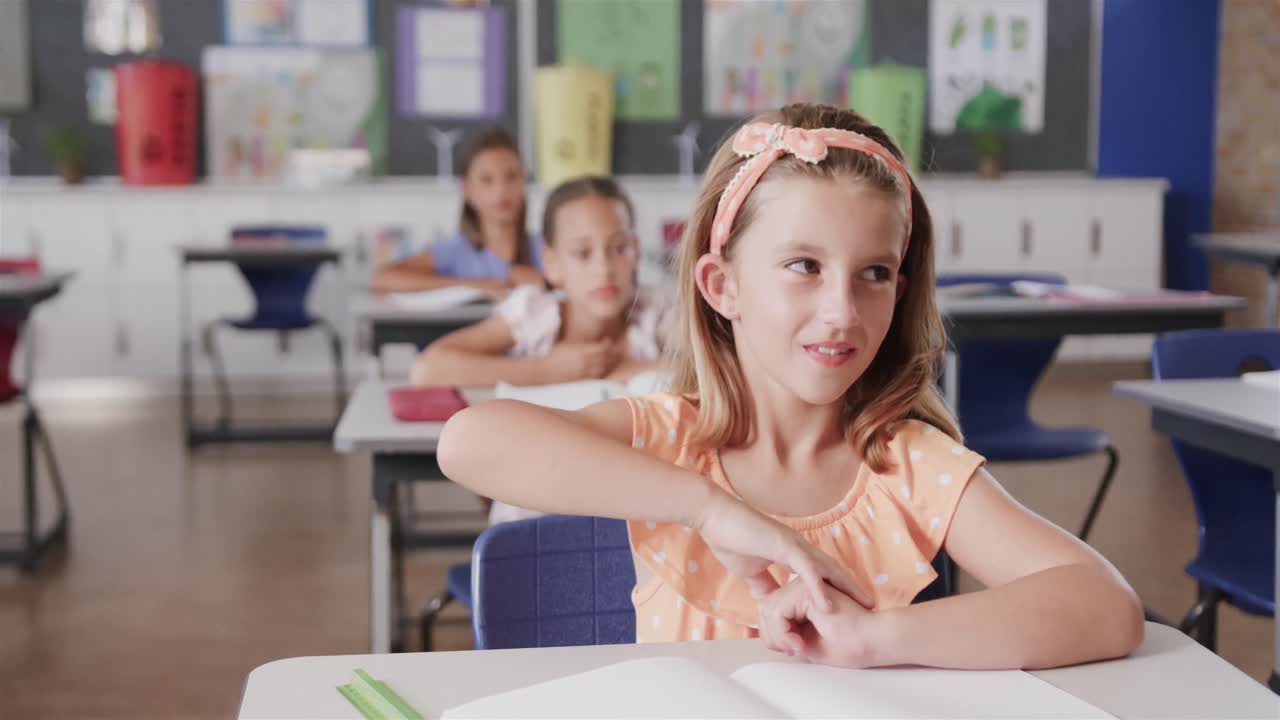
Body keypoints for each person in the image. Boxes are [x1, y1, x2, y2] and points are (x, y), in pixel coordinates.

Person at [436, 103, 1144, 670]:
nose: (843, 311)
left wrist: (874, 640)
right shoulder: (672, 439)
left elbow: (1106, 606)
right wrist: (712, 513)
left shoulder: (903, 463)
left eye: (874, 273)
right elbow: (471, 443)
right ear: (723, 286)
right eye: (804, 265)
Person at [410, 176, 664, 388]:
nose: (604, 269)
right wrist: (545, 371)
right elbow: (428, 370)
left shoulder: (655, 314)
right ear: (552, 264)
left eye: (619, 248)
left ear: (636, 251)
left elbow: (701, 369)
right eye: (582, 253)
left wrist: (617, 370)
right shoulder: (536, 314)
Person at [371, 127, 543, 294]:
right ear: (467, 189)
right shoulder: (454, 251)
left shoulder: (545, 249)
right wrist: (472, 285)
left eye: (511, 177)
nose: (501, 190)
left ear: (524, 182)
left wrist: (544, 284)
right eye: (486, 180)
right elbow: (382, 278)